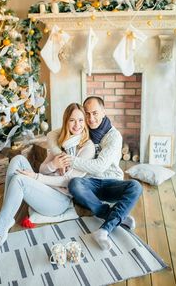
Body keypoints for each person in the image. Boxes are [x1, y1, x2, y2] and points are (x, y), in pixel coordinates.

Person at [0, 103, 95, 264]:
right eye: (72, 120)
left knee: (20, 180)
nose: (77, 125)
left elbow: (68, 181)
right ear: (66, 122)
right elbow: (42, 169)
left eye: (80, 120)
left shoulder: (87, 147)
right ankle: (5, 221)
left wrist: (35, 177)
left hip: (60, 201)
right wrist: (53, 165)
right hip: (43, 190)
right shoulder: (59, 141)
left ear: (85, 122)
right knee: (18, 160)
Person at [47, 96, 142, 251]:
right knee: (74, 183)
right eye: (87, 114)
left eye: (95, 113)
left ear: (104, 112)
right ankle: (116, 216)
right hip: (88, 183)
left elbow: (99, 167)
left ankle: (104, 230)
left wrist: (70, 160)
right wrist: (60, 156)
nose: (91, 119)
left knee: (136, 187)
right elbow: (51, 135)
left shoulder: (114, 136)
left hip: (111, 183)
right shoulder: (83, 129)